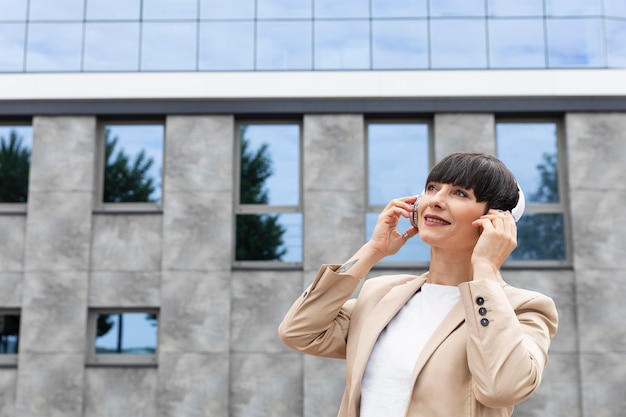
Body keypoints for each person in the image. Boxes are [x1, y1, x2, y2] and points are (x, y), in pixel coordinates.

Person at [278, 152, 558, 417]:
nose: (435, 200)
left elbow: (502, 388)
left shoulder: (524, 308)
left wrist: (485, 269)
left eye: (460, 193)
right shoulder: (383, 294)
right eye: (432, 188)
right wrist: (372, 250)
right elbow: (299, 331)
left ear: (497, 220)